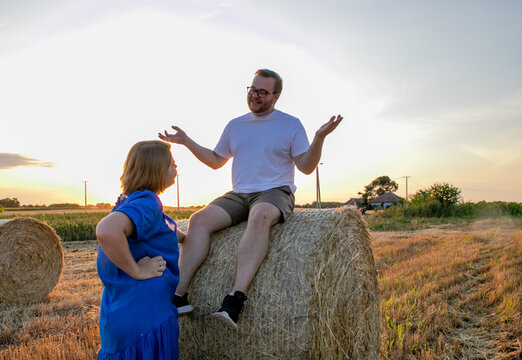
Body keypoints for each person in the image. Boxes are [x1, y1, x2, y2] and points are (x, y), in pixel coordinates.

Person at [159, 68, 342, 329]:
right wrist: (187, 141)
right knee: (199, 219)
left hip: (275, 191)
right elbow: (215, 160)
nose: (255, 96)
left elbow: (306, 166)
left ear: (276, 96)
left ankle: (235, 299)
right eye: (252, 90)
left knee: (259, 216)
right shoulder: (235, 125)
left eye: (262, 92)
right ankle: (179, 295)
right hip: (239, 193)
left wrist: (319, 138)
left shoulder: (290, 124)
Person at [95, 140, 185, 360]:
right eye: (172, 164)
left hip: (121, 313)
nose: (176, 168)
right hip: (145, 317)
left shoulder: (130, 201)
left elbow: (161, 230)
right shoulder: (148, 202)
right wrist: (136, 269)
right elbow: (107, 230)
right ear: (156, 168)